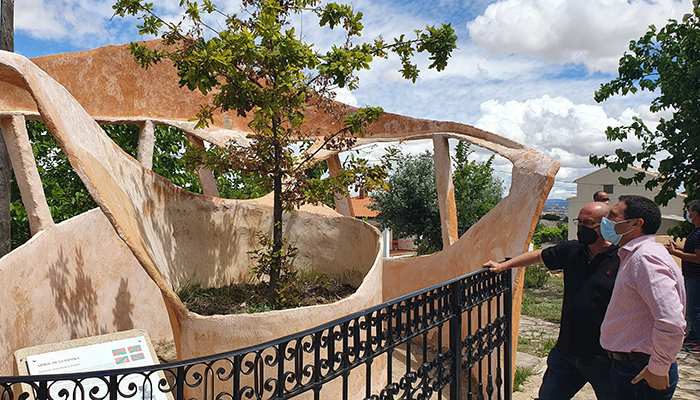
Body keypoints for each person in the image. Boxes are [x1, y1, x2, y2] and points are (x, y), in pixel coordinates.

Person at [484, 202, 619, 400]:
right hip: (566, 352)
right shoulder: (572, 250)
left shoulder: (622, 258)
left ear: (605, 224)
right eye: (579, 222)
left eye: (588, 223)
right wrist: (504, 266)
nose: (582, 227)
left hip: (604, 356)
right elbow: (539, 255)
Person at [599, 195, 686, 400]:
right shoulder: (636, 254)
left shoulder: (645, 258)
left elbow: (671, 320)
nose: (605, 220)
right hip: (631, 365)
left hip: (640, 369)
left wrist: (658, 368)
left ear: (636, 224)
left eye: (613, 216)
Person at [665, 199, 700, 351]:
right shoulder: (695, 231)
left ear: (695, 214)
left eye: (689, 212)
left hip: (696, 277)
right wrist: (678, 248)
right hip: (691, 276)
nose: (688, 214)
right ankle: (693, 335)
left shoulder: (699, 233)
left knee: (694, 309)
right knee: (692, 308)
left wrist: (675, 253)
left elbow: (697, 258)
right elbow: (692, 250)